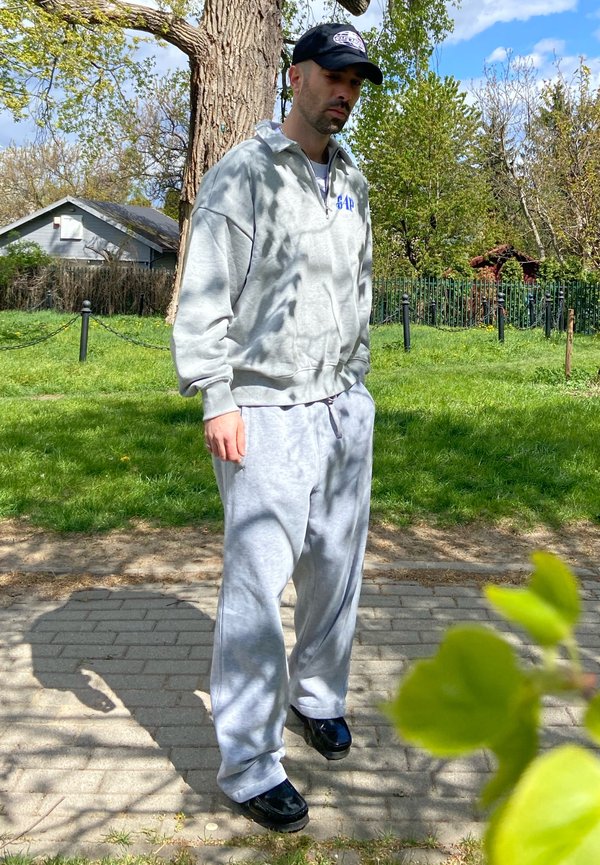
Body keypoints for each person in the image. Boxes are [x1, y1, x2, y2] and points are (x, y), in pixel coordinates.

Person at [171, 22, 382, 833]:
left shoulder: (352, 179)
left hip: (340, 408)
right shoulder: (246, 174)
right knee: (257, 589)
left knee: (336, 571)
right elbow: (205, 294)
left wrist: (356, 389)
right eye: (334, 76)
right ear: (294, 76)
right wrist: (217, 395)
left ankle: (318, 696)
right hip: (262, 409)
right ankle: (250, 764)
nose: (346, 93)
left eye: (356, 82)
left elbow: (357, 289)